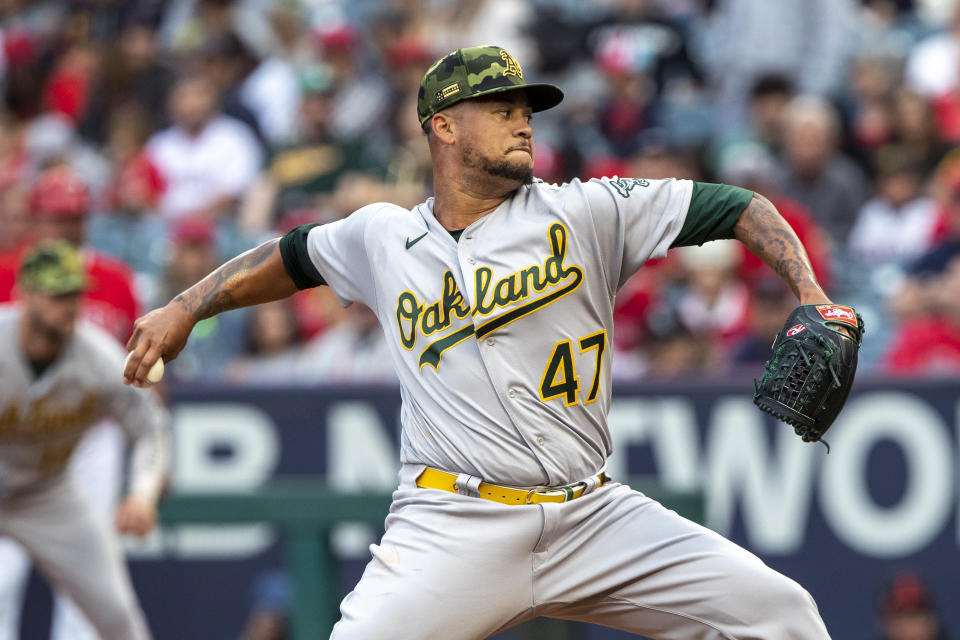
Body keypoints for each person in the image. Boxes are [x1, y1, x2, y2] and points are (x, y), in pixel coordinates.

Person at [125, 45, 841, 639]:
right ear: (443, 126)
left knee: (784, 616)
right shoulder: (382, 236)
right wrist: (186, 307)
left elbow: (739, 206)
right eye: (501, 109)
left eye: (525, 110)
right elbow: (288, 258)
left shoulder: (587, 211)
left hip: (591, 515)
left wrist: (810, 293)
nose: (522, 122)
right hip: (451, 523)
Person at [0, 241, 169, 640]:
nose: (69, 304)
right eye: (57, 293)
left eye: (74, 292)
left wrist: (143, 493)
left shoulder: (98, 357)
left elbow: (152, 428)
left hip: (47, 496)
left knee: (118, 617)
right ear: (25, 294)